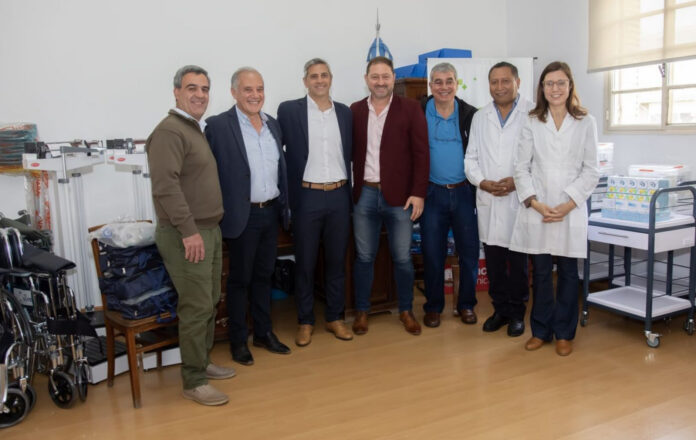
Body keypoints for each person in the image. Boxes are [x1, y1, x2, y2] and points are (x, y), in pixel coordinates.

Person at [146, 65, 236, 406]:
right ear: (176, 92)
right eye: (192, 88)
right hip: (187, 233)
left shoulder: (192, 128)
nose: (200, 95)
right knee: (196, 305)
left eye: (204, 88)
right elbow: (166, 187)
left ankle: (203, 361)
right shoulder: (169, 132)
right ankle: (194, 380)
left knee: (209, 300)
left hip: (208, 230)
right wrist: (189, 232)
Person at [510, 61, 599, 356]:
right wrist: (536, 203)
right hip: (539, 207)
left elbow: (591, 170)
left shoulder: (585, 122)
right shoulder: (532, 121)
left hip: (570, 208)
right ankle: (541, 330)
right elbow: (521, 168)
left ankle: (564, 333)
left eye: (561, 83)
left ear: (570, 86)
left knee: (569, 274)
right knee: (541, 272)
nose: (555, 88)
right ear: (542, 88)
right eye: (549, 83)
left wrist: (568, 204)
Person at [205, 67, 291, 366]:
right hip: (242, 216)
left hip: (271, 212)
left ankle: (264, 333)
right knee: (240, 280)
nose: (255, 95)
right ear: (234, 93)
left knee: (264, 276)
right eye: (248, 89)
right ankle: (238, 340)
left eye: (259, 89)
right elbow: (209, 175)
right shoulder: (218, 126)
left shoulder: (272, 124)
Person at [350, 56, 429, 336]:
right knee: (364, 257)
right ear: (366, 79)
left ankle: (406, 310)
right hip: (364, 195)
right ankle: (362, 311)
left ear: (393, 78)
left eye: (385, 76)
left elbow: (422, 154)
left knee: (403, 258)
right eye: (375, 76)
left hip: (401, 198)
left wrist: (418, 193)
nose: (380, 82)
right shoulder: (355, 110)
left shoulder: (410, 108)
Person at [277, 58, 353, 347]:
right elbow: (277, 152)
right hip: (306, 196)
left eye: (324, 75)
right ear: (305, 81)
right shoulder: (289, 110)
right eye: (313, 76)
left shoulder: (344, 113)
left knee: (336, 262)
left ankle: (335, 317)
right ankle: (305, 321)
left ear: (331, 78)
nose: (319, 80)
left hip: (339, 195)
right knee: (305, 263)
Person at [464, 61, 532, 337]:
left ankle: (517, 313)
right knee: (493, 262)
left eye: (506, 81)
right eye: (494, 82)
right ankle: (500, 310)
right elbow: (471, 158)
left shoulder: (533, 114)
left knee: (517, 263)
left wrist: (518, 182)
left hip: (519, 198)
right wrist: (482, 182)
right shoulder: (480, 117)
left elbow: (540, 158)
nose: (500, 87)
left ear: (518, 82)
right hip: (490, 198)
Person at [419, 62, 479, 328]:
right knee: (433, 253)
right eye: (438, 81)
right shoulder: (419, 111)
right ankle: (433, 307)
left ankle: (466, 305)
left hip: (464, 192)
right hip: (432, 193)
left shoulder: (470, 114)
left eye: (449, 81)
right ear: (430, 85)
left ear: (457, 83)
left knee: (469, 253)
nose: (444, 87)